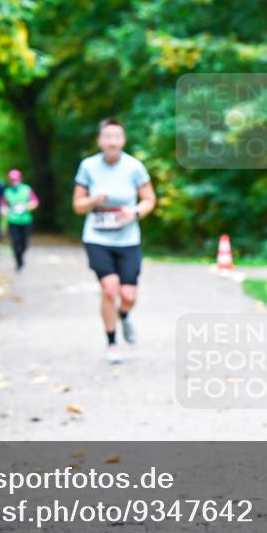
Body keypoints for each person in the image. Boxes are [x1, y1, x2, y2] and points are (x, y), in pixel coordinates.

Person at [72, 118, 156, 364]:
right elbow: (77, 205)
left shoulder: (135, 167)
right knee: (109, 289)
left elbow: (149, 199)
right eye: (107, 136)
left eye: (116, 136)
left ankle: (125, 314)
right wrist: (93, 201)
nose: (111, 141)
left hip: (128, 238)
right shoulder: (88, 167)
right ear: (100, 140)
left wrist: (135, 212)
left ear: (123, 140)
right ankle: (111, 343)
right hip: (97, 237)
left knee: (128, 295)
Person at [2, 168, 39, 271]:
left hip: (26, 220)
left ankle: (21, 256)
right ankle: (19, 262)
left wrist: (25, 207)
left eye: (16, 179)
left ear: (20, 179)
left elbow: (35, 202)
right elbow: (4, 205)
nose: (14, 181)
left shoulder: (26, 189)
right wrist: (5, 210)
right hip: (13, 221)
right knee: (15, 242)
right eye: (12, 179)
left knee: (24, 243)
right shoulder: (7, 191)